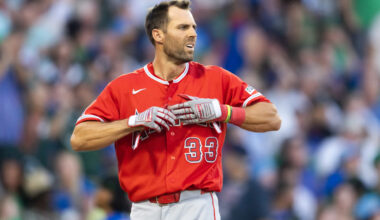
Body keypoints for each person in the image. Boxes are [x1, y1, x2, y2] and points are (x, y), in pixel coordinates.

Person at [70, 1, 281, 219]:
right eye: (182, 27)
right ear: (158, 35)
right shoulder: (125, 87)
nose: (192, 34)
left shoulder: (216, 79)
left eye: (193, 28)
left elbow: (272, 117)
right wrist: (131, 123)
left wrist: (223, 111)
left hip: (197, 205)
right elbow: (79, 137)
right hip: (145, 208)